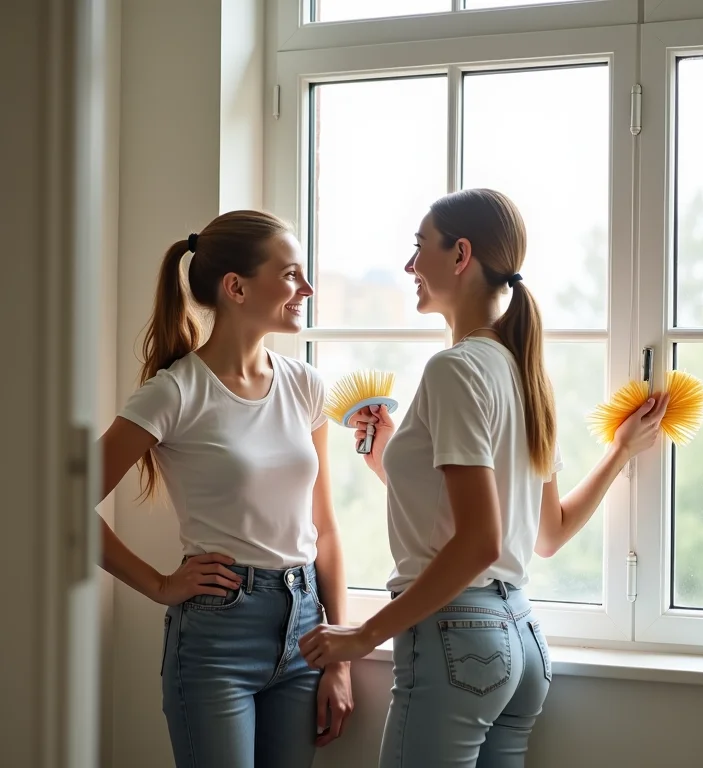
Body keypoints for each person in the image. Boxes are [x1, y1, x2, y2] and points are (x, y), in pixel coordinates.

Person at [299, 189, 668, 767]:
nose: (410, 265)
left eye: (419, 247)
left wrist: (364, 634)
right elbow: (548, 531)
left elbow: (478, 542)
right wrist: (619, 453)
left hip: (457, 641)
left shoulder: (455, 368)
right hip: (519, 641)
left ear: (460, 254)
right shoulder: (521, 372)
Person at [97, 210, 353, 768]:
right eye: (290, 275)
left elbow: (325, 527)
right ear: (235, 287)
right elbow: (60, 506)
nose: (306, 289)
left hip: (306, 624)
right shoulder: (173, 393)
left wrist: (340, 658)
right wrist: (161, 584)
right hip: (218, 638)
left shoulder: (305, 385)